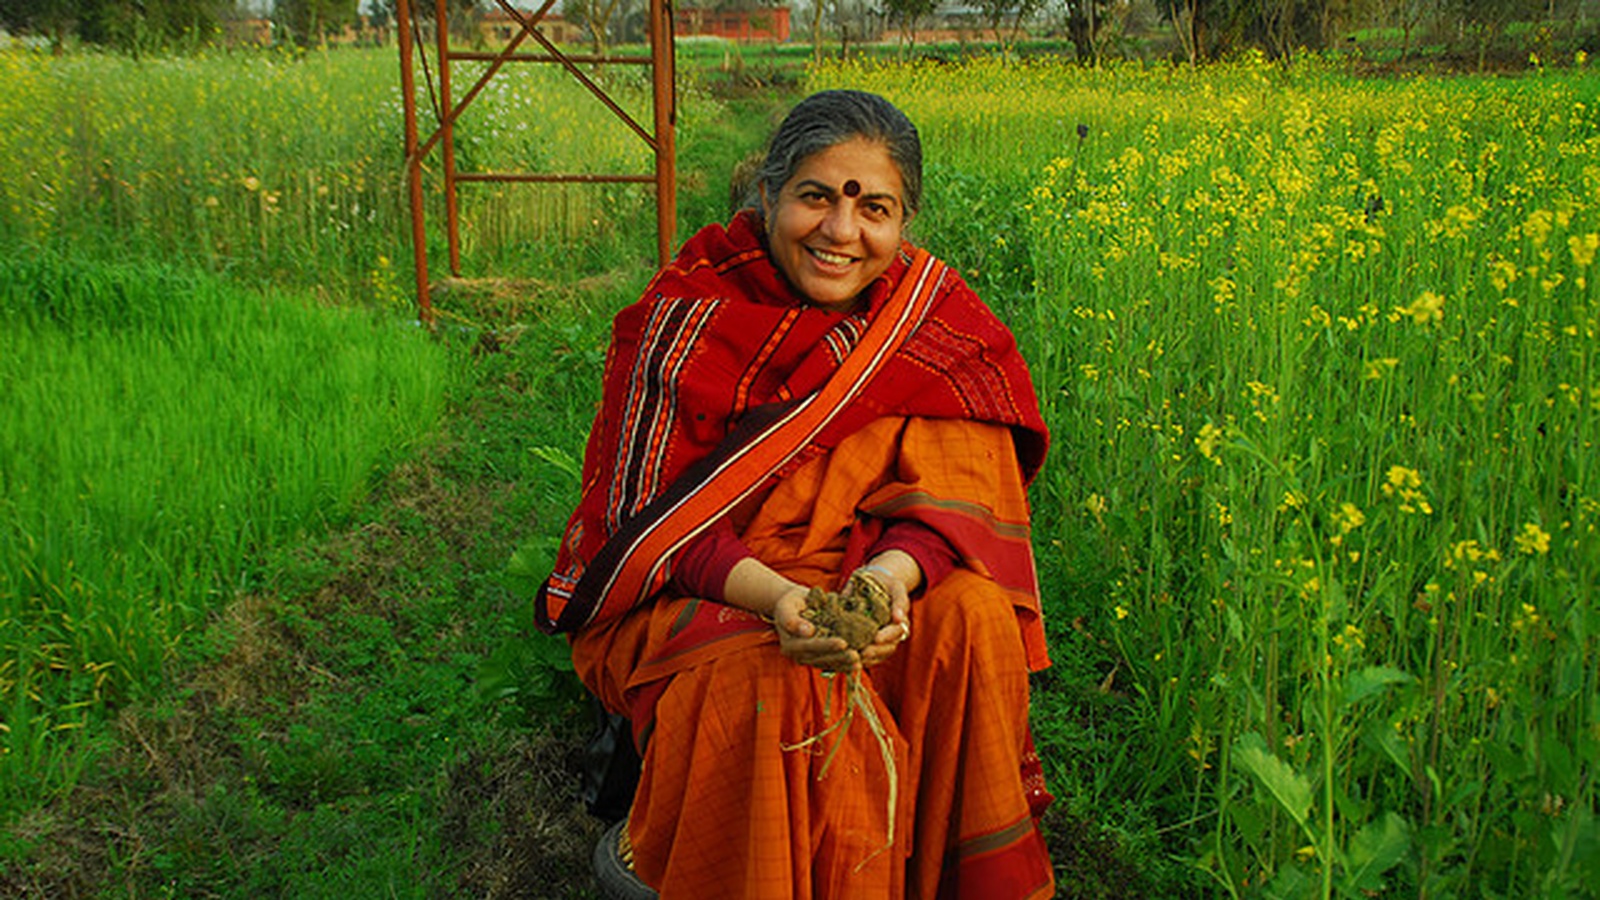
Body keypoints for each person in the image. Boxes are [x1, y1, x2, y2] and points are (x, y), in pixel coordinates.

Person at [537, 89, 1055, 899]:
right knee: (782, 687)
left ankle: (940, 876)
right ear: (769, 195)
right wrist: (785, 600)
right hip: (703, 586)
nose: (841, 232)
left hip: (861, 569)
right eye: (817, 196)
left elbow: (951, 487)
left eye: (873, 207)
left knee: (975, 622)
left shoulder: (932, 321)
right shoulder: (683, 319)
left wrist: (884, 583)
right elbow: (655, 523)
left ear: (903, 222)